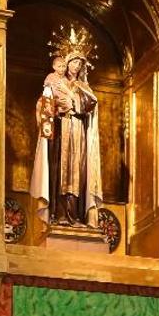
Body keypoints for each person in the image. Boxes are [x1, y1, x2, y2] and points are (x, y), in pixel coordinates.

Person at [29, 30, 102, 227]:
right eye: (73, 62)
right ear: (65, 63)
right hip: (61, 129)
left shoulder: (83, 86)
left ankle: (76, 215)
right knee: (60, 169)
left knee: (77, 172)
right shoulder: (54, 81)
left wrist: (78, 104)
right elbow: (44, 103)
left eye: (80, 64)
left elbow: (92, 106)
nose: (76, 66)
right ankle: (59, 213)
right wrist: (50, 109)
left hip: (78, 130)